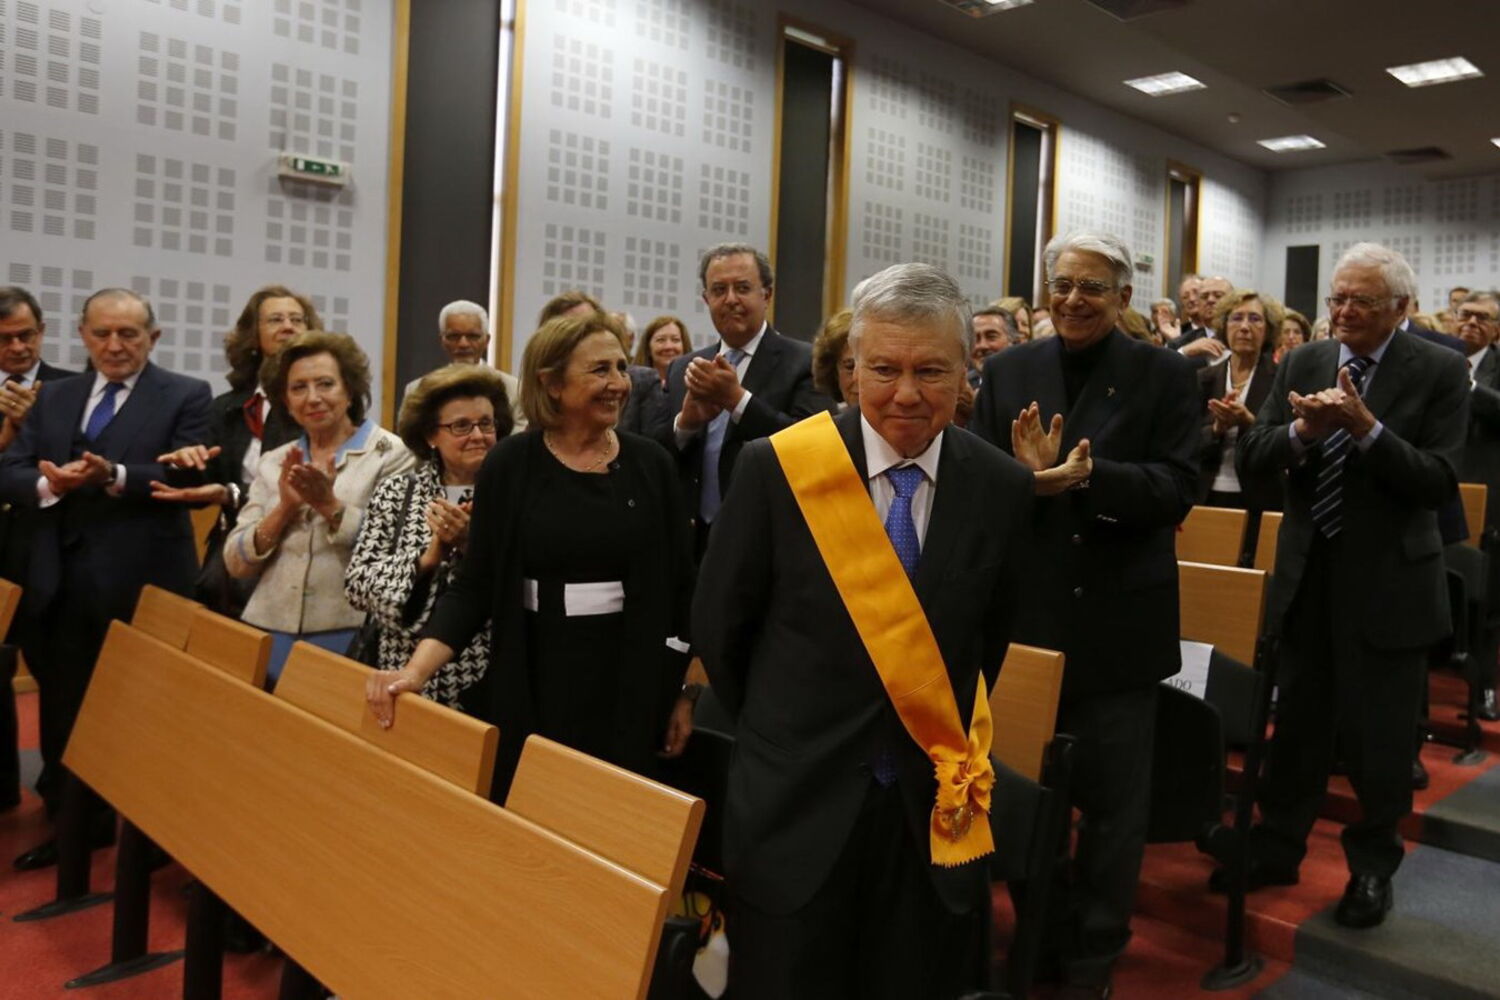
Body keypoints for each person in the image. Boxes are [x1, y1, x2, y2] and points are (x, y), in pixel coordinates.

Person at [694, 262, 1032, 1000]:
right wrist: (792, 732)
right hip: (796, 805)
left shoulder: (1001, 487)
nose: (905, 393)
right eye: (883, 369)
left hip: (928, 816)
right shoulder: (778, 469)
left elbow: (988, 643)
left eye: (930, 370)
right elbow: (722, 631)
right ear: (851, 367)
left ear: (966, 372)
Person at [970, 233, 1199, 997]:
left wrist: (1084, 478)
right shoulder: (1009, 371)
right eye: (1062, 284)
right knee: (1026, 794)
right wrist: (1022, 481)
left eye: (1092, 287)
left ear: (1124, 298)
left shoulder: (1165, 374)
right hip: (1027, 625)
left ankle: (1096, 952)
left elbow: (1178, 488)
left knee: (1111, 809)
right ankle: (1044, 929)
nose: (1073, 299)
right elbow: (977, 479)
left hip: (1118, 625)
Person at [1233, 243, 1468, 930]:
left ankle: (1372, 867)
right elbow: (1253, 455)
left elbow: (1438, 481)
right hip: (1308, 577)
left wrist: (1368, 430)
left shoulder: (1439, 369)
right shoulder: (1304, 360)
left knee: (1379, 742)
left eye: (1360, 301)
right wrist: (1303, 432)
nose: (1342, 311)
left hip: (1391, 582)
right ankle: (1277, 847)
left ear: (1400, 307)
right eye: (1336, 298)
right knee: (1296, 732)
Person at [366, 312, 696, 799]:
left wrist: (685, 693)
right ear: (552, 383)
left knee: (612, 813)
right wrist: (414, 672)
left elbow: (685, 590)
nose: (618, 383)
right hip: (531, 672)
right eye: (600, 370)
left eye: (621, 368)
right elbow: (475, 586)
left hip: (631, 676)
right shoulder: (510, 464)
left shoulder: (652, 464)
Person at [0, 288, 212, 868]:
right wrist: (48, 483)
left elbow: (191, 476)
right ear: (82, 336)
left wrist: (112, 474)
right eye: (102, 334)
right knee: (64, 709)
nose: (114, 346)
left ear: (153, 338)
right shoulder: (55, 395)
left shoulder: (186, 394)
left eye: (128, 334)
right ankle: (76, 825)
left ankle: (153, 834)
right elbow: (9, 468)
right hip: (58, 581)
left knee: (149, 715)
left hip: (143, 584)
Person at [222, 331, 414, 685]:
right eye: (298, 388)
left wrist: (329, 505)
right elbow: (236, 562)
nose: (313, 398)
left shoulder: (392, 454)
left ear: (350, 389)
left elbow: (397, 549)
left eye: (326, 384)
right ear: (285, 400)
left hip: (350, 633)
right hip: (265, 629)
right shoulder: (274, 461)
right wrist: (284, 509)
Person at [345, 365, 513, 708]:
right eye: (461, 426)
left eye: (486, 423)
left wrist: (469, 545)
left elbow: (520, 582)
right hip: (401, 677)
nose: (478, 435)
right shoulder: (397, 492)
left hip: (486, 676)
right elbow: (357, 585)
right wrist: (427, 559)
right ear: (430, 435)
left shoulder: (512, 493)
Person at [652, 243, 833, 554]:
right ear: (706, 299)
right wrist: (686, 424)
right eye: (719, 290)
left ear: (767, 295)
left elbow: (813, 449)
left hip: (768, 539)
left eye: (743, 288)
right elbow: (656, 456)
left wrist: (738, 401)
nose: (731, 299)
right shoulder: (685, 367)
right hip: (691, 543)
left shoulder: (805, 362)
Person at [149, 286, 319, 616]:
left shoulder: (318, 408)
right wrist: (187, 463)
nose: (288, 326)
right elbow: (202, 487)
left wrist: (231, 493)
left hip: (298, 552)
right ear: (253, 337)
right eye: (276, 319)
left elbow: (306, 484)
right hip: (234, 559)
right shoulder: (227, 407)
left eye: (297, 319)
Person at [0, 286, 77, 812]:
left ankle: (60, 791)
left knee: (55, 673)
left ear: (42, 332)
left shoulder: (72, 389)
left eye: (26, 335)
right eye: (5, 339)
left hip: (48, 553)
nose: (18, 347)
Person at [1455, 291, 1500, 720]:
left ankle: (1485, 684)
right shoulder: (1437, 360)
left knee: (1487, 598)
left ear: (1496, 329)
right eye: (1465, 315)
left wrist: (1469, 386)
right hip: (1440, 488)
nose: (1471, 323)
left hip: (1489, 496)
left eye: (1482, 318)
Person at [1198, 289, 1283, 510]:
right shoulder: (1203, 378)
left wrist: (1249, 422)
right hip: (1205, 493)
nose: (1245, 327)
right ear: (1224, 326)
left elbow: (1286, 444)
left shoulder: (1280, 378)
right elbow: (1185, 442)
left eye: (1255, 319)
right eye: (1236, 318)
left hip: (1261, 496)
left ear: (1268, 329)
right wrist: (1216, 429)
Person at [401, 300, 526, 431]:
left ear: (486, 340)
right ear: (442, 341)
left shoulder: (514, 390)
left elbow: (519, 439)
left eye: (473, 336)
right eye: (454, 336)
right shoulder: (417, 390)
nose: (463, 344)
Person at [810, 308, 857, 409]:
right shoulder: (825, 419)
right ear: (834, 372)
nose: (859, 378)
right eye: (850, 367)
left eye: (881, 369)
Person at [969, 305, 1020, 386]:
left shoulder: (1032, 383)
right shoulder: (962, 386)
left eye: (991, 337)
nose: (982, 345)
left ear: (1014, 342)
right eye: (975, 339)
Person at [635, 315, 691, 386]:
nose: (668, 346)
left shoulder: (695, 385)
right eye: (661, 340)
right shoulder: (632, 384)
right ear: (648, 348)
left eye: (675, 340)